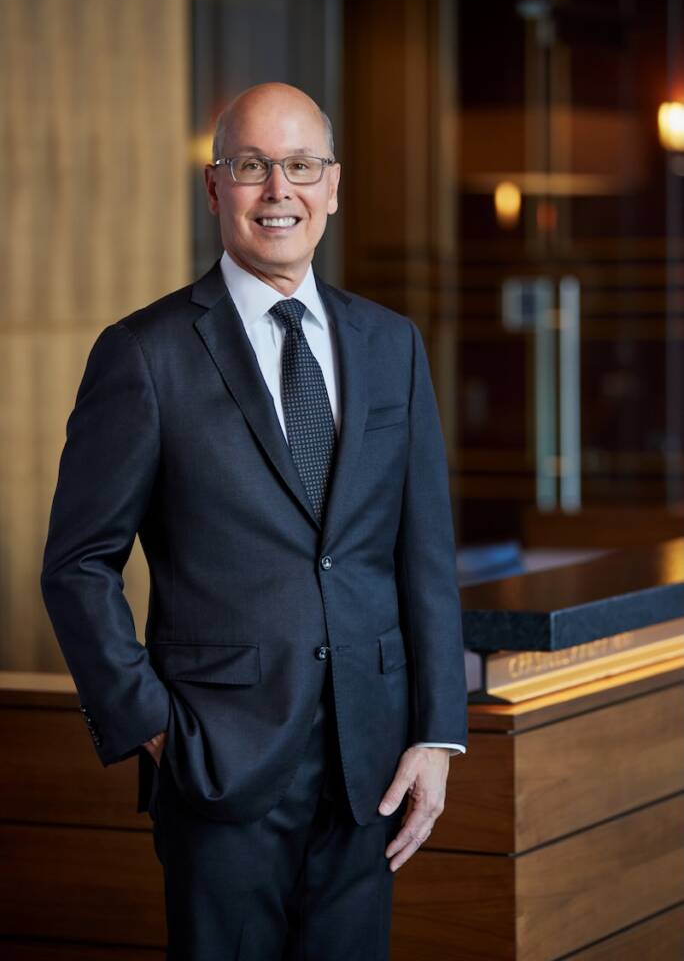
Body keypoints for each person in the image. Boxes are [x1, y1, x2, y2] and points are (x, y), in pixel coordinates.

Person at [40, 82, 468, 961]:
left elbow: (422, 554)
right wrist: (158, 729)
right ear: (214, 187)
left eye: (301, 166)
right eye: (252, 167)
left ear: (333, 185)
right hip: (217, 769)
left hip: (370, 774)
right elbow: (78, 564)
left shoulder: (392, 345)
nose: (280, 190)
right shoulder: (145, 354)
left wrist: (435, 733)